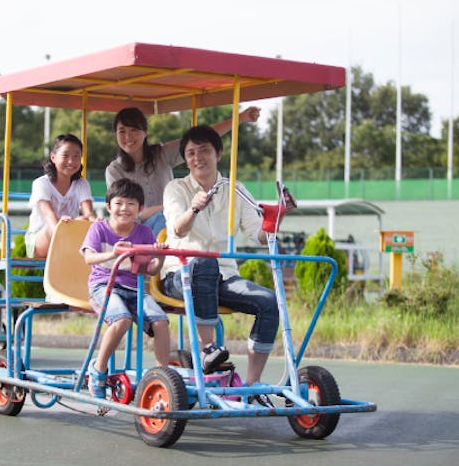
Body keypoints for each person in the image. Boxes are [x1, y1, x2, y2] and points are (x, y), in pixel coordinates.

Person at [160, 125, 279, 406]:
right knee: (205, 263)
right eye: (190, 153)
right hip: (179, 273)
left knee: (268, 302)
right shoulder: (176, 188)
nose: (197, 157)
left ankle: (251, 386)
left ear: (219, 154)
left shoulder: (235, 188)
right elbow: (177, 229)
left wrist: (276, 217)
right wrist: (194, 207)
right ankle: (207, 350)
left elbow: (259, 235)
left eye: (204, 150)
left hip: (224, 276)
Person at [105, 106, 261, 235]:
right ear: (115, 134)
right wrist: (168, 208)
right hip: (139, 229)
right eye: (122, 131)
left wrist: (240, 118)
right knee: (169, 218)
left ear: (145, 132)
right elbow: (127, 211)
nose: (128, 136)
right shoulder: (114, 170)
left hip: (173, 223)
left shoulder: (161, 154)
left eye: (134, 130)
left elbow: (201, 139)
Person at [81, 178, 170, 399]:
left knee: (160, 322)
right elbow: (89, 258)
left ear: (140, 209)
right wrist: (114, 254)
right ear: (109, 206)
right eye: (119, 203)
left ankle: (163, 376)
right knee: (122, 319)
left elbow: (150, 269)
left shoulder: (144, 233)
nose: (124, 209)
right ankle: (98, 369)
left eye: (131, 204)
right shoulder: (99, 228)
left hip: (135, 288)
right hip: (104, 285)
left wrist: (160, 257)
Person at [25, 134, 97, 258]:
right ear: (53, 157)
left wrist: (97, 223)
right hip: (40, 239)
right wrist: (62, 227)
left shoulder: (81, 183)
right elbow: (48, 215)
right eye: (65, 155)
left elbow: (89, 213)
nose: (71, 161)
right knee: (54, 227)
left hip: (69, 236)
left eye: (76, 156)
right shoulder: (41, 183)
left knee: (83, 222)